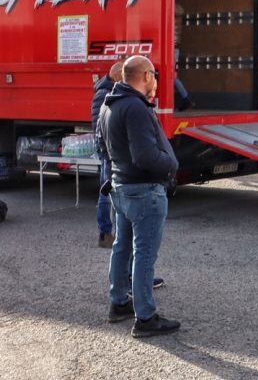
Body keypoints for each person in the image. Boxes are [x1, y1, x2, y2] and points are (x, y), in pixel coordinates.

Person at [99, 56, 180, 337]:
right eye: (154, 75)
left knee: (122, 247)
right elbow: (144, 155)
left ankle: (119, 301)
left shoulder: (111, 104)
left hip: (121, 187)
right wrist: (171, 165)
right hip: (143, 190)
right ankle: (145, 318)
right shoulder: (134, 107)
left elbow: (103, 146)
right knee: (144, 254)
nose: (156, 80)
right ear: (146, 76)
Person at [93, 60, 124, 248]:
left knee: (109, 191)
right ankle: (105, 233)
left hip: (109, 149)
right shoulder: (104, 94)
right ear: (118, 74)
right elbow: (100, 126)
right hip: (108, 150)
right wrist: (109, 150)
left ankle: (110, 232)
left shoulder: (108, 91)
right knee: (106, 192)